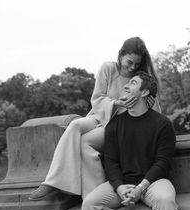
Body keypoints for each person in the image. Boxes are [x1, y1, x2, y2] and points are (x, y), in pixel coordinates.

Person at [68, 71, 182, 210]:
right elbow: (110, 161)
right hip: (120, 184)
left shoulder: (162, 124)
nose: (127, 86)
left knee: (166, 200)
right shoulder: (115, 124)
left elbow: (162, 163)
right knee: (90, 203)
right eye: (128, 83)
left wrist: (140, 188)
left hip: (152, 182)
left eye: (133, 83)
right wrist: (119, 187)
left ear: (145, 91)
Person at [29, 37, 161, 201]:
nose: (132, 67)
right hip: (99, 115)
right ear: (120, 56)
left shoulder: (140, 79)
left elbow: (151, 107)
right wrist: (116, 103)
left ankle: (95, 196)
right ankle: (52, 182)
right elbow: (97, 98)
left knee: (85, 143)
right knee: (75, 124)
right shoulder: (108, 68)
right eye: (129, 62)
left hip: (116, 125)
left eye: (136, 64)